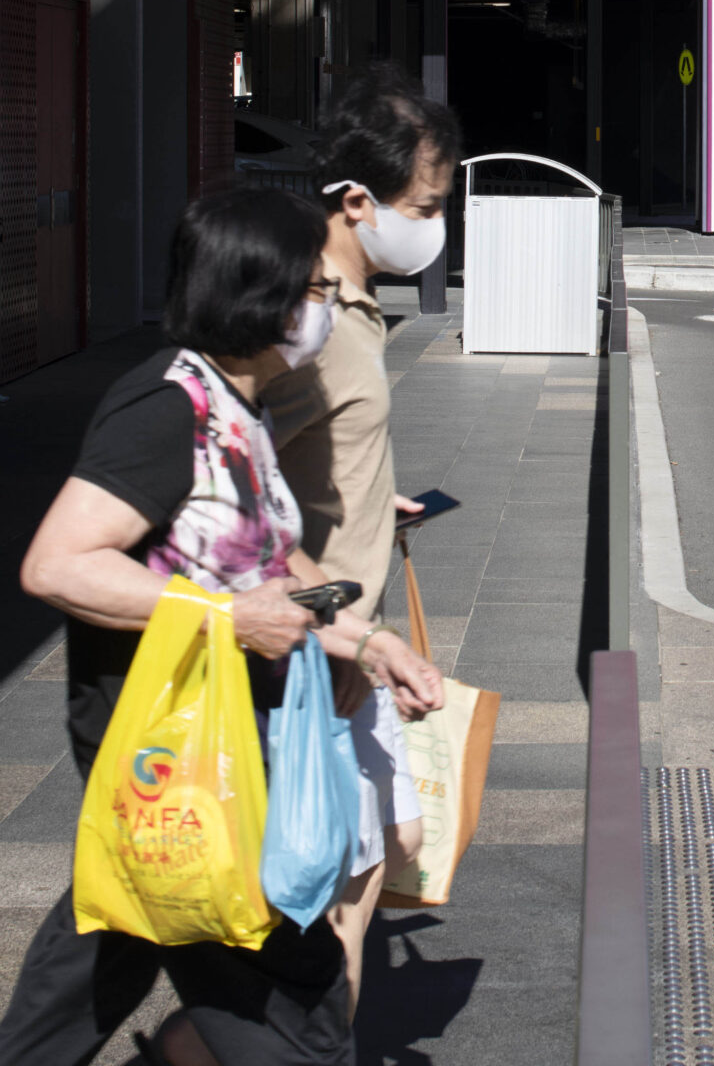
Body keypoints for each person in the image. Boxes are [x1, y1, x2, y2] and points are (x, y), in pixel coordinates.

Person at [0, 184, 440, 1066]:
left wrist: (364, 636)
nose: (326, 309)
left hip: (209, 761)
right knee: (295, 1013)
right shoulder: (164, 409)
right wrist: (227, 618)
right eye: (314, 292)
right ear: (260, 294)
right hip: (179, 756)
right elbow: (57, 565)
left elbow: (271, 555)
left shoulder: (238, 404)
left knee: (103, 961)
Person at [263, 70, 460, 1014]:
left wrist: (382, 505)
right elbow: (239, 483)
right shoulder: (312, 323)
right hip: (321, 637)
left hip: (350, 627)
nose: (433, 226)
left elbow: (329, 448)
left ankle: (267, 1030)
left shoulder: (356, 308)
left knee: (391, 843)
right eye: (423, 207)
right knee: (343, 877)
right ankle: (277, 1039)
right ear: (355, 202)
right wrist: (327, 620)